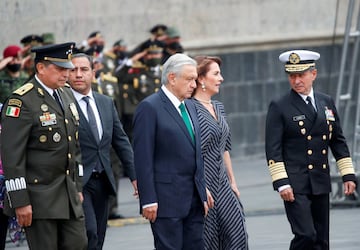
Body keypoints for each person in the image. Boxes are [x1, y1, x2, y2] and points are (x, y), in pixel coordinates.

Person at [265, 49, 357, 250]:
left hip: (320, 178)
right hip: (295, 183)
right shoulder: (280, 106)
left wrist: (348, 174)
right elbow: (273, 149)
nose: (296, 81)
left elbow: (338, 141)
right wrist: (281, 183)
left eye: (301, 75)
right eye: (292, 76)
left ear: (313, 74)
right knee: (306, 235)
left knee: (322, 240)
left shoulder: (326, 102)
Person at [0, 42, 87, 250]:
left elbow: (73, 146)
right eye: (60, 69)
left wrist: (77, 185)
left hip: (68, 193)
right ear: (40, 68)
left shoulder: (65, 94)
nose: (66, 74)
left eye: (67, 68)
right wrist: (20, 200)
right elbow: (12, 157)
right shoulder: (22, 101)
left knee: (79, 243)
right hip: (39, 198)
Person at [133, 53, 213, 249]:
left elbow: (195, 154)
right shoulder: (149, 107)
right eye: (189, 79)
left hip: (193, 200)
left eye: (195, 79)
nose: (194, 85)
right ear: (172, 78)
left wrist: (202, 190)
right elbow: (143, 157)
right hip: (166, 201)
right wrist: (148, 199)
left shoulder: (190, 107)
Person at [68, 53, 137, 249]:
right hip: (78, 182)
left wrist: (135, 176)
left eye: (84, 70)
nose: (78, 75)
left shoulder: (105, 102)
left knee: (99, 234)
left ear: (93, 72)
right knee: (88, 232)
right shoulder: (63, 104)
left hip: (103, 180)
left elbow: (121, 141)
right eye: (73, 70)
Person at [191, 55, 248, 249]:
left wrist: (233, 181)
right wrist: (200, 186)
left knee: (238, 234)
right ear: (201, 79)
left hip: (223, 183)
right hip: (203, 184)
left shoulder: (218, 107)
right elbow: (191, 152)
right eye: (216, 74)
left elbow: (225, 148)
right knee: (210, 241)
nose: (221, 78)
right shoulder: (190, 109)